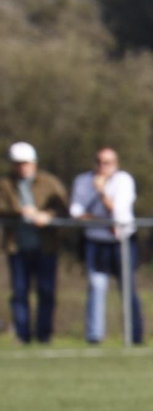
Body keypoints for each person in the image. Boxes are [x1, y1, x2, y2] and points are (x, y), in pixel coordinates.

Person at [69, 146, 142, 345]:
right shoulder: (82, 181)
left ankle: (134, 336)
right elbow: (76, 211)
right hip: (95, 241)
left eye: (108, 163)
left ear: (116, 164)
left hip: (121, 242)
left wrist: (101, 190)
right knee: (96, 286)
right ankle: (94, 336)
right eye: (99, 162)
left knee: (128, 289)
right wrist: (96, 218)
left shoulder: (123, 180)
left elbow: (118, 213)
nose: (103, 167)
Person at [0, 142, 68, 344]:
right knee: (20, 292)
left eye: (26, 163)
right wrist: (19, 212)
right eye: (18, 163)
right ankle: (22, 335)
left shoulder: (49, 183)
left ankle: (44, 335)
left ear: (34, 163)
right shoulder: (5, 184)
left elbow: (63, 208)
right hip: (17, 246)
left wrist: (47, 216)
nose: (22, 167)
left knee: (46, 292)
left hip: (45, 246)